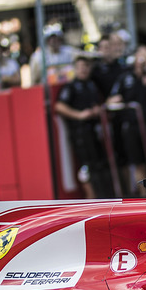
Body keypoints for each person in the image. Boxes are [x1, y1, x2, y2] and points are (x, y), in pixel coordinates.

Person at [107, 45, 146, 194]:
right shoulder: (125, 78)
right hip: (131, 126)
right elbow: (112, 100)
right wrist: (114, 102)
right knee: (137, 162)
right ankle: (144, 195)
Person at [55, 56, 111, 199]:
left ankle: (102, 196)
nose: (83, 69)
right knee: (86, 168)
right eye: (80, 67)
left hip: (94, 132)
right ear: (75, 69)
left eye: (86, 66)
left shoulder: (92, 85)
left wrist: (96, 110)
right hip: (80, 133)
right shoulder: (71, 87)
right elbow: (59, 106)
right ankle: (91, 198)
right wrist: (79, 115)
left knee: (99, 165)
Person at [90, 33, 126, 100]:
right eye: (101, 47)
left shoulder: (121, 66)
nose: (105, 50)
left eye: (107, 47)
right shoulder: (95, 69)